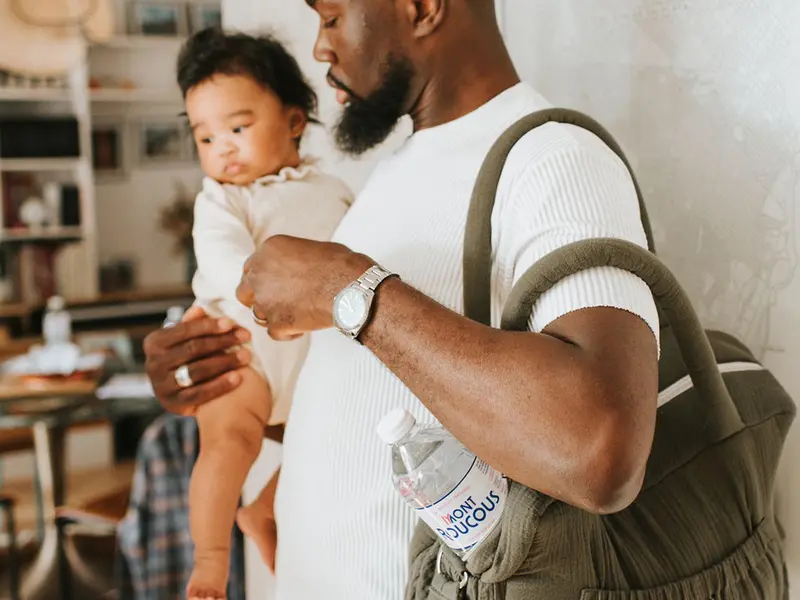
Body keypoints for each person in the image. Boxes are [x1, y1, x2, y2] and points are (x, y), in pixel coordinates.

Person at [143, 2, 659, 599]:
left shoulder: (554, 157)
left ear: (421, 7)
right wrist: (216, 378)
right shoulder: (391, 176)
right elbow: (394, 393)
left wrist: (346, 288)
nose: (320, 49)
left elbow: (601, 453)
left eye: (332, 17)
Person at [174, 27, 352, 599]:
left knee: (329, 438)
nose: (221, 148)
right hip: (242, 351)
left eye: (237, 128)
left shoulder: (333, 191)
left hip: (311, 359)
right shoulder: (223, 198)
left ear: (294, 121)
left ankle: (264, 508)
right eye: (205, 137)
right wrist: (268, 300)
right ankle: (210, 560)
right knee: (228, 444)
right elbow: (222, 258)